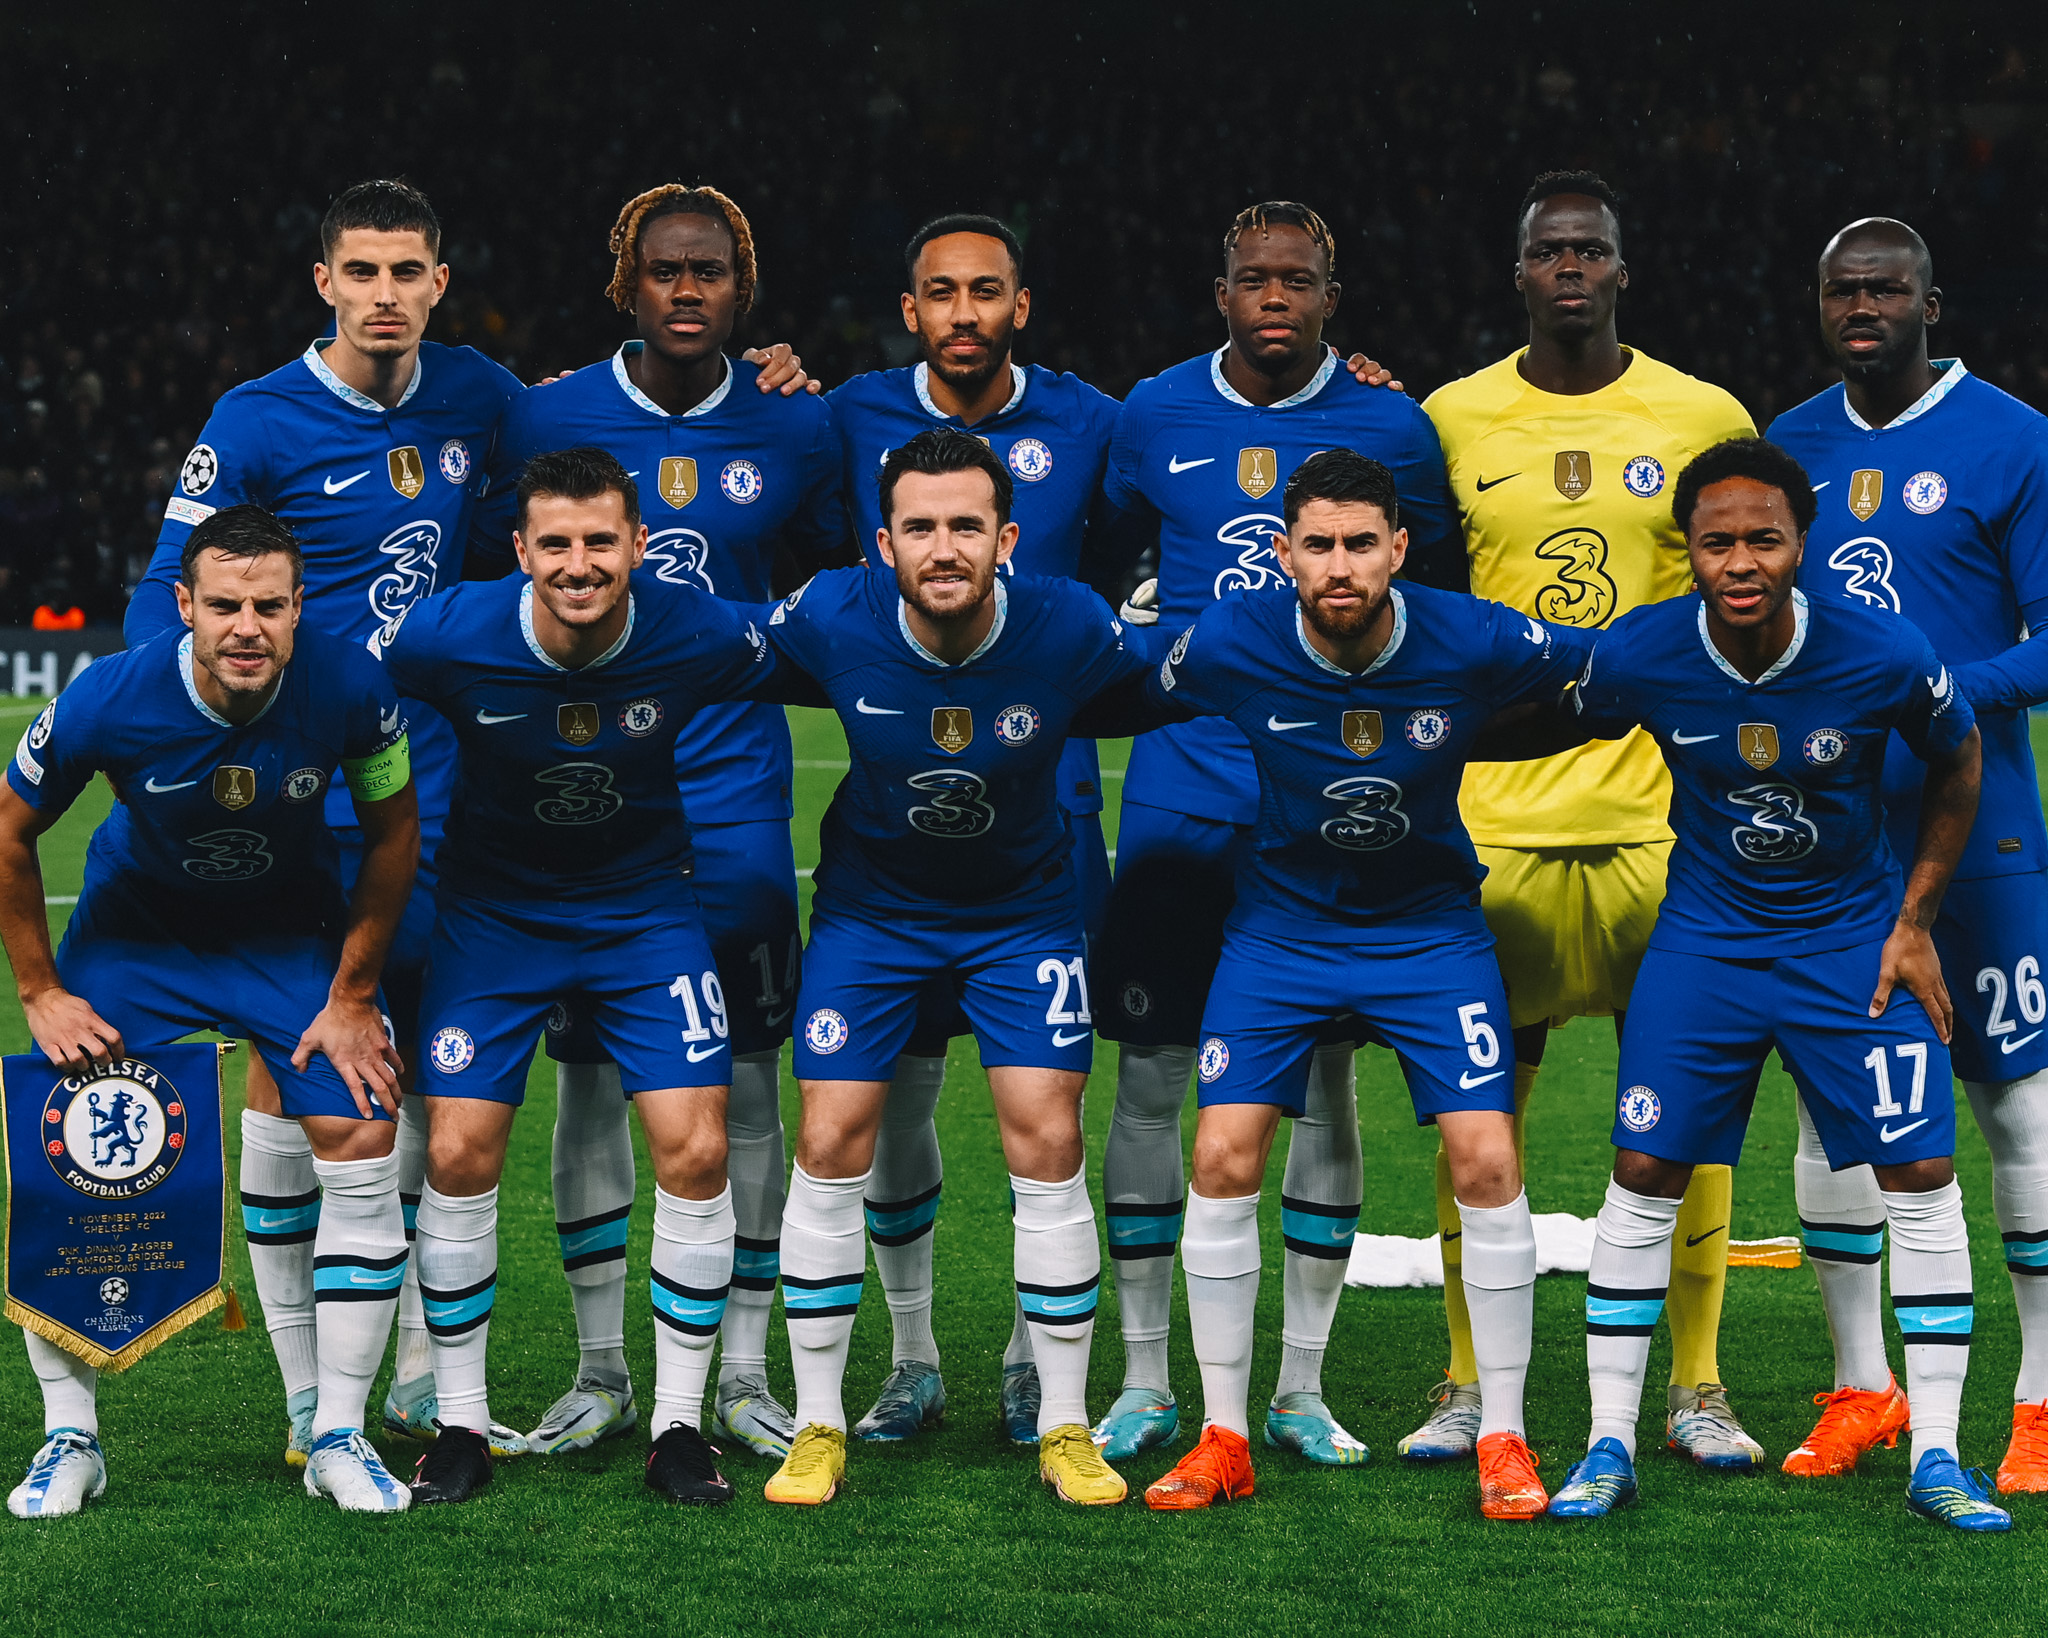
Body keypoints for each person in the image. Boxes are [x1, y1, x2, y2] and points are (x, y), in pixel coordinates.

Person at [1087, 449, 1584, 1518]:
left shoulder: (1474, 633)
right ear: (1282, 556)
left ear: (1398, 550)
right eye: (1316, 545)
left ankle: (1501, 1434)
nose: (1340, 566)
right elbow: (1115, 684)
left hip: (1428, 933)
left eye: (1361, 543)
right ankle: (1224, 1432)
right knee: (1220, 1154)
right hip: (1280, 933)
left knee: (1485, 1158)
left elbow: (1611, 672)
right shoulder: (1229, 639)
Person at [1526, 438, 2008, 1532]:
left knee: (1921, 1170)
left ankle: (1935, 1453)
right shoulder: (1642, 652)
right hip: (1704, 941)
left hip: (1847, 943)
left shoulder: (1882, 653)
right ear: (1683, 550)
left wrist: (1916, 920)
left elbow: (1957, 753)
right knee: (1643, 1166)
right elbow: (1548, 716)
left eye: (1762, 538)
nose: (1739, 560)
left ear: (1801, 544)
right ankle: (1608, 1441)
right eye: (1715, 541)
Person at [470, 183, 845, 1463]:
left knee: (743, 1081)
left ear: (745, 291)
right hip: (580, 799)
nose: (688, 291)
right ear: (624, 285)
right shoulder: (546, 416)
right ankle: (596, 1369)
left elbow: (844, 577)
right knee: (588, 1084)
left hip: (733, 795)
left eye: (712, 273)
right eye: (665, 272)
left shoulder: (799, 424)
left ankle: (737, 1370)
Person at [1090, 201, 1459, 1465]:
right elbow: (1101, 561)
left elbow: (1440, 599)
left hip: (1331, 809)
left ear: (1329, 294)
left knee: (1321, 1078)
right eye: (1254, 279)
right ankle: (1145, 1378)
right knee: (1148, 1073)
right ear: (1220, 290)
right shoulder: (1150, 415)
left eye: (1296, 282)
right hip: (1183, 792)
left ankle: (1297, 1385)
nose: (1275, 300)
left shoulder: (1387, 424)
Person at [1408, 171, 1761, 1466]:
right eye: (1548, 248)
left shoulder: (1703, 412)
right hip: (1491, 825)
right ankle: (1461, 1382)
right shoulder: (1448, 418)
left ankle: (1700, 1387)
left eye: (1591, 250)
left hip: (1660, 825)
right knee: (1474, 1113)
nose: (1570, 266)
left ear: (1623, 269)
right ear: (1519, 273)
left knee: (1692, 1109)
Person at [385, 447, 808, 1508]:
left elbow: (832, 658)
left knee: (696, 1142)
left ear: (639, 547)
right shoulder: (446, 633)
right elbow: (340, 697)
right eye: (557, 544)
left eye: (600, 543)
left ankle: (675, 1425)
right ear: (521, 550)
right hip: (494, 922)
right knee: (456, 1145)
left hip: (643, 915)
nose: (579, 565)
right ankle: (461, 1424)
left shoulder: (698, 629)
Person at [1, 505, 419, 1515]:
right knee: (71, 1153)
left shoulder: (352, 687)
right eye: (224, 605)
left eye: (268, 606)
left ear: (297, 606)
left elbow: (393, 828)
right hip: (138, 943)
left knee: (363, 1126)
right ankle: (72, 1438)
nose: (246, 627)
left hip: (286, 939)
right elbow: (9, 835)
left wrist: (355, 992)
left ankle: (337, 1435)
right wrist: (43, 991)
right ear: (183, 605)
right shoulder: (109, 695)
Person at [755, 428, 1142, 1508]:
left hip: (1022, 920)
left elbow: (1187, 675)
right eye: (918, 526)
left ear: (1004, 538)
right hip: (871, 919)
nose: (941, 546)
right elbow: (706, 645)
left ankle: (1064, 1421)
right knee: (831, 1137)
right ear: (883, 543)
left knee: (1047, 1132)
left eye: (964, 524)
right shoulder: (832, 611)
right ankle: (820, 1422)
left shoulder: (1068, 622)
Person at [823, 212, 1123, 1444]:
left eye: (984, 292)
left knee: (1046, 1110)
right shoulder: (840, 414)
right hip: (895, 844)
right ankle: (911, 1360)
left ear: (1021, 303)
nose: (961, 313)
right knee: (889, 1103)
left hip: (1050, 825)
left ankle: (1026, 1358)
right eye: (938, 292)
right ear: (910, 310)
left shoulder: (1098, 421)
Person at [1769, 218, 2048, 1492]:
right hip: (1828, 842)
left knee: (2012, 1108)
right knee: (1833, 1119)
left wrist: (1933, 690)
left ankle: (2036, 1399)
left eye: (1884, 287)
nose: (1861, 305)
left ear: (1932, 302)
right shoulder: (1791, 446)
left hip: (1980, 834)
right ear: (1817, 307)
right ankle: (1861, 1388)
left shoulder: (2013, 438)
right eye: (1840, 289)